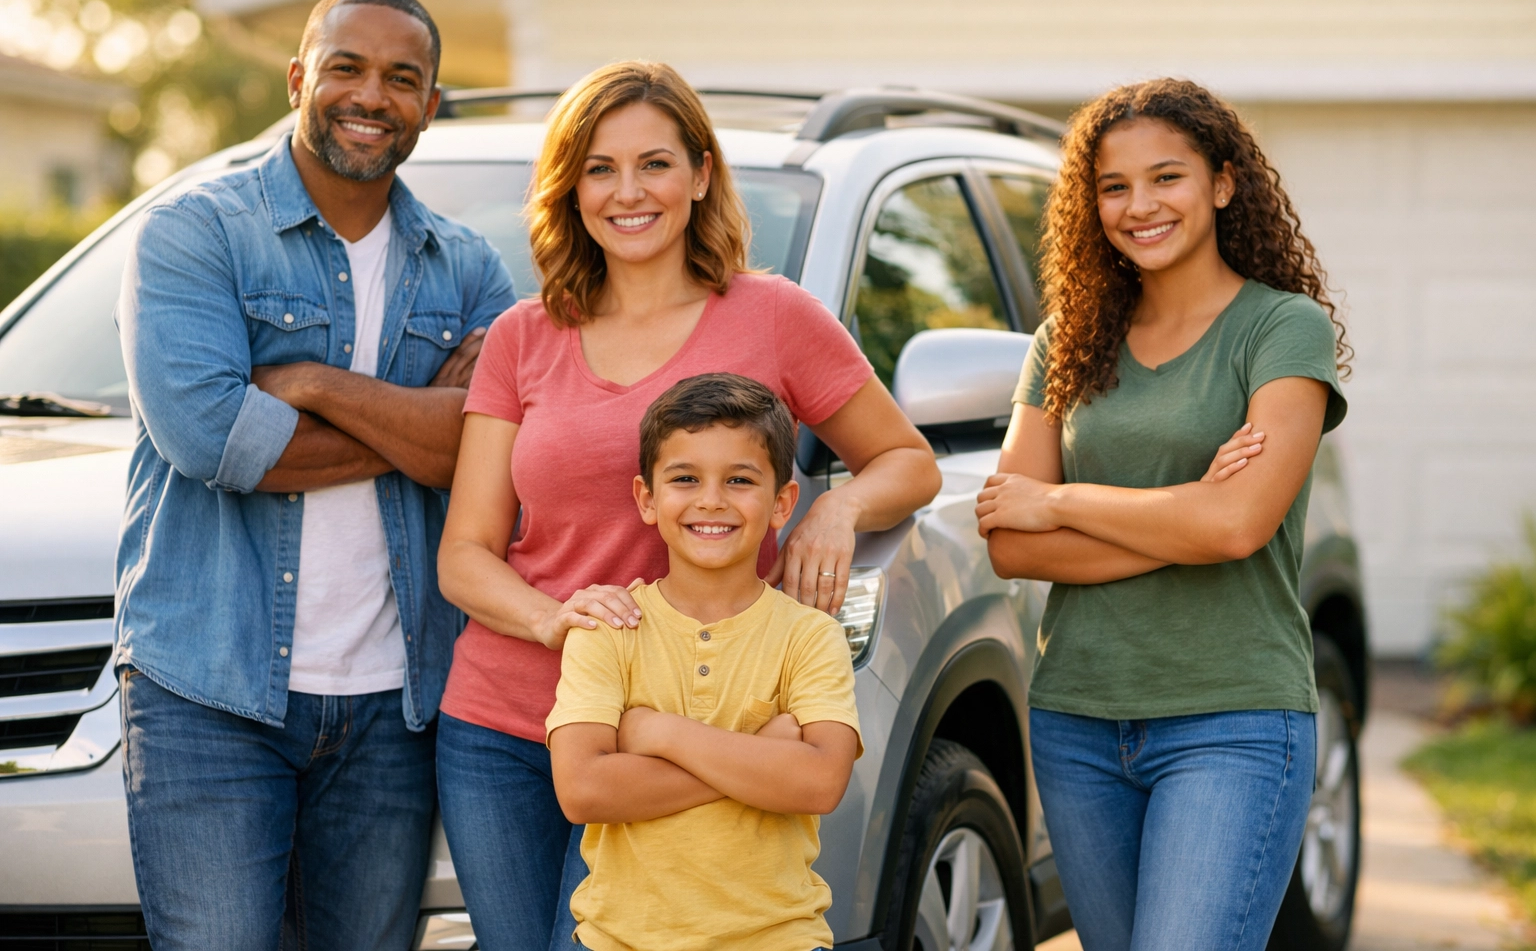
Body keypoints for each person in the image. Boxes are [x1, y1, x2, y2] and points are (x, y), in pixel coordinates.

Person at [436, 60, 941, 950]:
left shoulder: (773, 316)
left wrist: (836, 508)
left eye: (655, 164)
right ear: (571, 189)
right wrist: (558, 622)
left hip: (692, 721)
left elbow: (907, 459)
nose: (628, 193)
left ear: (701, 174)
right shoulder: (523, 335)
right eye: (599, 168)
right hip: (507, 726)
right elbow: (466, 553)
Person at [115, 0, 514, 950]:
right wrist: (420, 424)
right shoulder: (194, 234)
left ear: (428, 101)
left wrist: (312, 385)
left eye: (401, 78)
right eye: (346, 67)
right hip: (210, 689)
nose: (370, 95)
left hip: (395, 707)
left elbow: (486, 456)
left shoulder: (467, 269)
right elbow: (215, 440)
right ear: (299, 77)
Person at [975, 78, 1349, 951]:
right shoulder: (1068, 338)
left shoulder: (1282, 330)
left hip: (1235, 720)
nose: (1139, 206)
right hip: (1078, 720)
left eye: (1167, 178)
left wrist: (1062, 498)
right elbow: (1010, 543)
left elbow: (1235, 529)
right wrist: (1183, 515)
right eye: (1114, 186)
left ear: (1223, 183)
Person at [546, 372, 861, 951]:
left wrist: (657, 731)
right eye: (685, 478)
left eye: (740, 480)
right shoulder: (607, 630)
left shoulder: (809, 637)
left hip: (778, 939)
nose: (711, 500)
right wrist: (763, 757)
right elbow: (584, 789)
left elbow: (819, 781)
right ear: (647, 498)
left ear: (781, 503)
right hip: (622, 941)